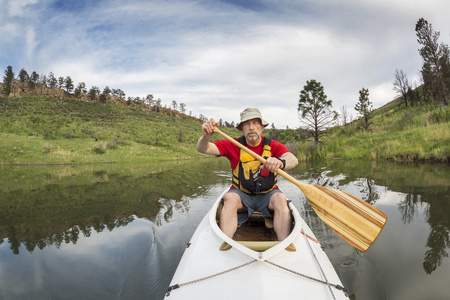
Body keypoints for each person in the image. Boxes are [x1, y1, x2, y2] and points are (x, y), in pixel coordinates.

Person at [196, 108, 299, 242]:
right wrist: (205, 137)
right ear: (242, 128)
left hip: (268, 195)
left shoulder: (273, 146)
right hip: (242, 195)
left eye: (256, 123)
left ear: (262, 127)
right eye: (246, 124)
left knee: (281, 198)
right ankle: (225, 244)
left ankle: (284, 245)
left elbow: (293, 160)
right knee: (229, 198)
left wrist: (281, 161)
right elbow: (202, 148)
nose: (251, 128)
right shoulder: (232, 144)